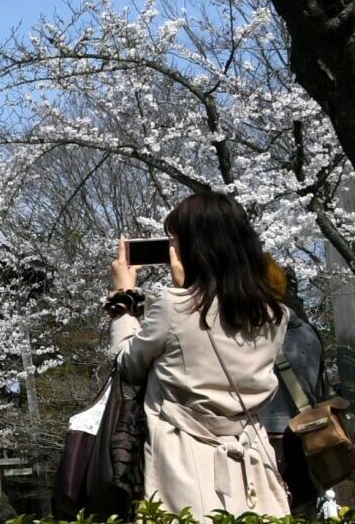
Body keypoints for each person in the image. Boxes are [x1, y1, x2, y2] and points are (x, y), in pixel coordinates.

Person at [108, 191, 290, 518]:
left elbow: (129, 365)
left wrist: (123, 298)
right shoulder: (274, 316)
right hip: (251, 462)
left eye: (175, 241)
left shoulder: (173, 306)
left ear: (196, 248)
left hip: (182, 462)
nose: (172, 250)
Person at [258, 258, 330, 517]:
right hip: (307, 436)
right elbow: (320, 388)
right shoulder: (308, 332)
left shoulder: (251, 334)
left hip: (266, 438)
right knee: (304, 511)